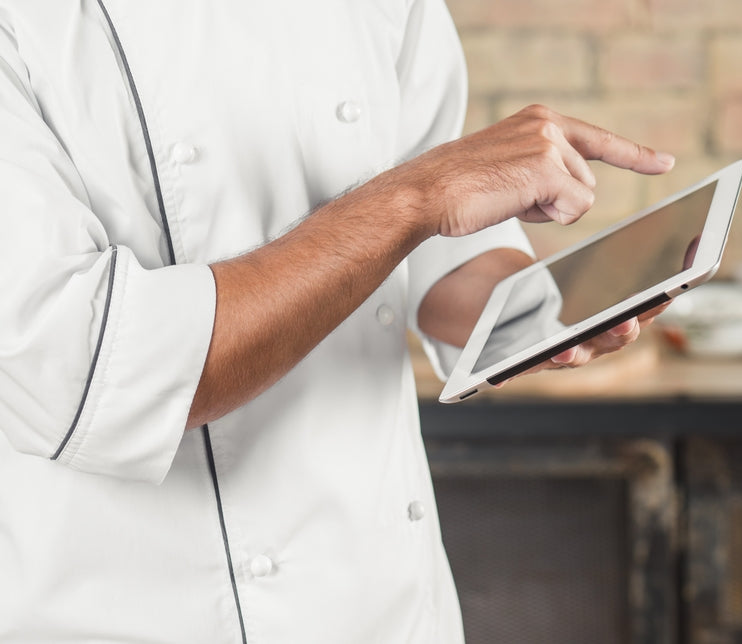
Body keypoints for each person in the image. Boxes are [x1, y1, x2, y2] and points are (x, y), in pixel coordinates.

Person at [0, 1, 674, 642]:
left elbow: (442, 250)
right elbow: (98, 371)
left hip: (386, 607)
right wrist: (415, 197)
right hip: (134, 614)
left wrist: (538, 310)